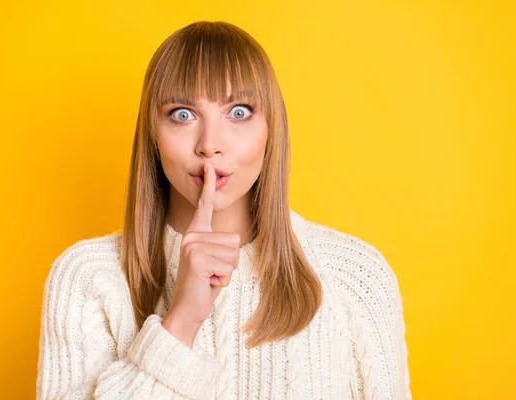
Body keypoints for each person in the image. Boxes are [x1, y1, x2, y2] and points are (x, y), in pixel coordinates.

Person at [36, 21, 412, 400]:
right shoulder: (87, 279)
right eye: (183, 114)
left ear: (271, 128)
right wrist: (181, 321)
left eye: (239, 112)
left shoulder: (356, 275)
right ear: (153, 134)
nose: (210, 145)